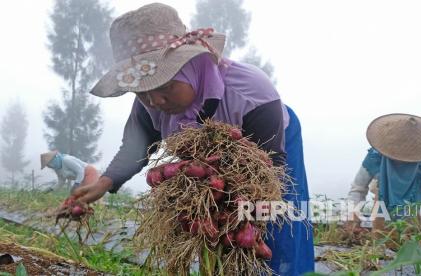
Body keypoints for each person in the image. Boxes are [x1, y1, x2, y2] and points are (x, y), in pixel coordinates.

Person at [67, 3, 314, 274]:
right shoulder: (151, 103)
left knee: (277, 218)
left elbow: (270, 170)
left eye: (166, 87)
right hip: (208, 165)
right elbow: (134, 148)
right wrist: (103, 183)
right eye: (142, 92)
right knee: (211, 229)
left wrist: (243, 210)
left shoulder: (251, 92)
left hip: (270, 150)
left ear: (189, 65)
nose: (155, 100)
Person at [346, 113, 421, 233]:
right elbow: (358, 189)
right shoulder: (376, 157)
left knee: (420, 244)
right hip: (383, 210)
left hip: (419, 214)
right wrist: (352, 219)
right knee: (382, 244)